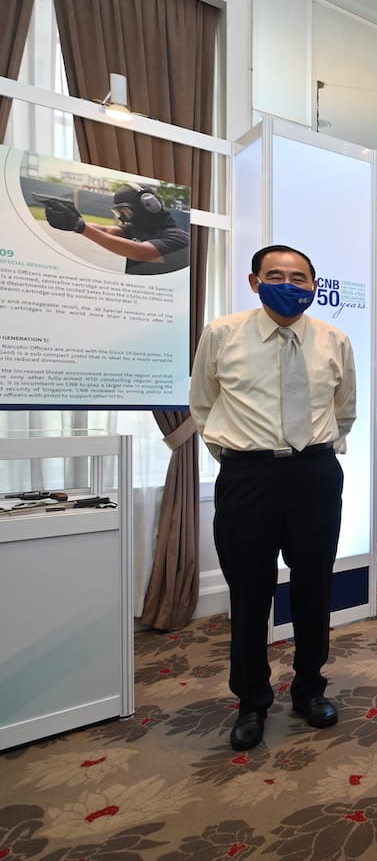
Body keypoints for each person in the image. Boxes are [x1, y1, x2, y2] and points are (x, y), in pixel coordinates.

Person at [190, 244, 356, 751]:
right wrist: (240, 456)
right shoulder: (222, 333)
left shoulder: (334, 339)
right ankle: (252, 700)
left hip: (314, 474)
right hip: (248, 479)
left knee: (313, 588)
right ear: (253, 280)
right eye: (276, 275)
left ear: (314, 284)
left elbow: (344, 409)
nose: (290, 284)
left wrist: (315, 451)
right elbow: (203, 404)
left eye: (301, 277)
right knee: (250, 591)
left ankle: (309, 688)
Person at [42, 181, 190, 275]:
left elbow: (139, 252)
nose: (124, 217)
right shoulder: (136, 228)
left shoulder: (178, 238)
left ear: (149, 205)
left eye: (126, 211)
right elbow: (105, 231)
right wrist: (74, 221)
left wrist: (81, 227)